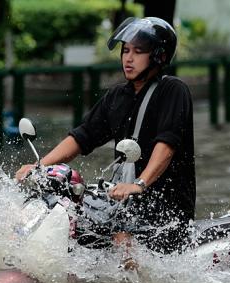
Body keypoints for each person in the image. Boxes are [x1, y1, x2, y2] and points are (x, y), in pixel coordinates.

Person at [15, 17, 195, 255]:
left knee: (121, 238)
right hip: (123, 202)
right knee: (70, 214)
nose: (128, 58)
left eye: (138, 52)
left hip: (163, 208)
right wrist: (39, 167)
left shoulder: (173, 90)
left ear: (159, 56)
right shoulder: (117, 96)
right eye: (126, 50)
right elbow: (82, 137)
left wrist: (138, 185)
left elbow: (167, 145)